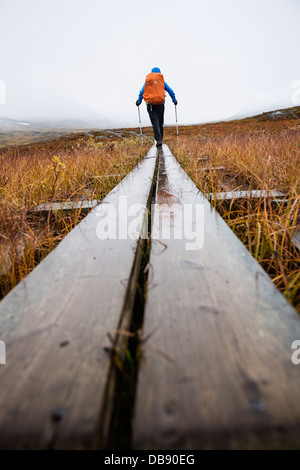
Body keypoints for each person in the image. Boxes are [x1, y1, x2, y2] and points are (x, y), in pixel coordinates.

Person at [136, 67, 177, 148]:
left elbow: (141, 91)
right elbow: (170, 91)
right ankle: (160, 139)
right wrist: (174, 100)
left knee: (155, 122)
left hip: (150, 105)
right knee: (160, 122)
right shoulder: (161, 82)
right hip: (160, 104)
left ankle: (158, 140)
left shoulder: (148, 81)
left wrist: (139, 101)